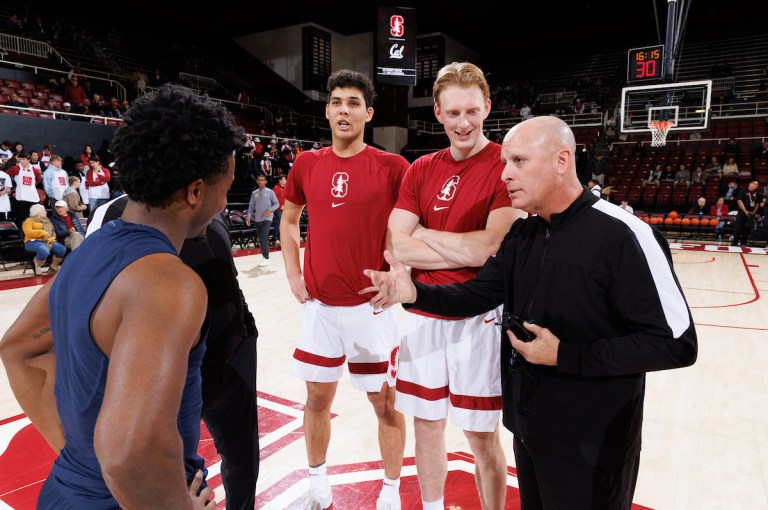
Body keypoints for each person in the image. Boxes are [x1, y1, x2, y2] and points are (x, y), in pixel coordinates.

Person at [364, 116, 698, 510]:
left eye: (519, 161)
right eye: (505, 162)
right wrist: (414, 292)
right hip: (529, 433)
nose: (504, 174)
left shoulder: (625, 234)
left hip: (591, 446)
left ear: (561, 161)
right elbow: (475, 295)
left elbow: (676, 344)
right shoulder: (524, 234)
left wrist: (565, 355)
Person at [0, 84, 243, 509]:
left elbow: (19, 349)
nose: (224, 204)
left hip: (63, 491)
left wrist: (81, 463)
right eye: (224, 190)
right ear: (195, 191)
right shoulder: (171, 283)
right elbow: (130, 456)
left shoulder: (85, 252)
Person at [385, 62, 524, 510]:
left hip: (478, 318)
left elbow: (489, 249)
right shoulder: (420, 168)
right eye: (453, 113)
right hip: (422, 314)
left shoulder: (505, 165)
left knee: (481, 437)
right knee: (426, 427)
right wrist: (452, 247)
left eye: (471, 111)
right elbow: (396, 246)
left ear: (486, 107)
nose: (463, 123)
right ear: (439, 114)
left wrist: (423, 235)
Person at [281, 69, 408, 510]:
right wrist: (293, 274)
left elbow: (408, 229)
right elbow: (289, 217)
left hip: (369, 308)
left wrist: (400, 273)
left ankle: (391, 488)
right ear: (327, 110)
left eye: (353, 103)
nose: (343, 110)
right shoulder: (306, 164)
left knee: (385, 404)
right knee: (317, 399)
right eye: (336, 101)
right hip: (319, 307)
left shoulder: (393, 167)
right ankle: (318, 480)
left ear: (368, 114)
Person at [86, 196, 262, 510]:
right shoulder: (113, 214)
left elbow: (226, 274)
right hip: (172, 375)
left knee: (244, 460)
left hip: (233, 358)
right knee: (180, 479)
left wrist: (246, 327)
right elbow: (93, 300)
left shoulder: (212, 200)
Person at [22, 203, 67, 273]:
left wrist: (51, 239)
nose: (46, 212)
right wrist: (42, 233)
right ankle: (38, 265)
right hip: (32, 242)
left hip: (47, 241)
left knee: (62, 249)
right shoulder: (28, 221)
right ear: (37, 213)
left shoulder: (47, 220)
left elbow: (53, 233)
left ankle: (54, 265)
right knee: (44, 251)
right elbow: (28, 232)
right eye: (43, 211)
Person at [245, 174, 278, 268]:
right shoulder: (254, 193)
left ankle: (266, 258)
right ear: (257, 181)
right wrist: (248, 217)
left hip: (267, 218)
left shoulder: (270, 192)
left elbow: (277, 204)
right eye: (259, 180)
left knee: (264, 236)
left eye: (262, 180)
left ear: (265, 181)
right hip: (257, 218)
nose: (260, 181)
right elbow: (251, 206)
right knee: (261, 238)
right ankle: (264, 256)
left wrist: (270, 210)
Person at [731, 180, 760, 247]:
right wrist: (744, 210)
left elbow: (757, 204)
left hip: (751, 213)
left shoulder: (757, 193)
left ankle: (744, 242)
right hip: (742, 212)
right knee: (738, 228)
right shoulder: (742, 191)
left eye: (757, 184)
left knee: (747, 228)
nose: (756, 185)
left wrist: (754, 212)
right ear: (750, 184)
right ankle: (734, 242)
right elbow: (739, 201)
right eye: (755, 183)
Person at [272, 174, 287, 245]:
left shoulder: (285, 188)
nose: (285, 181)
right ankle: (274, 238)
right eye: (284, 179)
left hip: (285, 209)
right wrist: (280, 206)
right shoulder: (276, 188)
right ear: (280, 181)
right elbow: (273, 200)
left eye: (285, 179)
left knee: (284, 225)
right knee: (278, 225)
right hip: (278, 210)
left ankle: (283, 239)